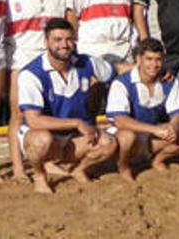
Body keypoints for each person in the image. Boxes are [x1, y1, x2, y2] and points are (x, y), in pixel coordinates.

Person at [16, 19, 116, 194]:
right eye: (58, 39)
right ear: (46, 42)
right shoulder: (31, 74)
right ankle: (40, 175)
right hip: (47, 138)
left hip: (73, 139)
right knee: (40, 141)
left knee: (108, 143)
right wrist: (77, 123)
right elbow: (33, 120)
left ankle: (78, 169)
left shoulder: (88, 63)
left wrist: (156, 72)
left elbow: (116, 71)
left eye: (69, 39)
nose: (64, 44)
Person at [6, 0, 67, 182]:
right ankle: (19, 169)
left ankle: (48, 162)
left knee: (49, 111)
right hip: (21, 58)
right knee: (17, 114)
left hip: (50, 61)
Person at [106, 38, 179, 181]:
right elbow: (120, 121)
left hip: (152, 136)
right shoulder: (122, 83)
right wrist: (155, 130)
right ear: (139, 59)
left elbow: (177, 114)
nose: (154, 64)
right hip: (131, 136)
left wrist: (174, 127)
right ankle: (123, 166)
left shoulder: (169, 81)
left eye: (158, 59)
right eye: (149, 59)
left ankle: (158, 160)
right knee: (127, 137)